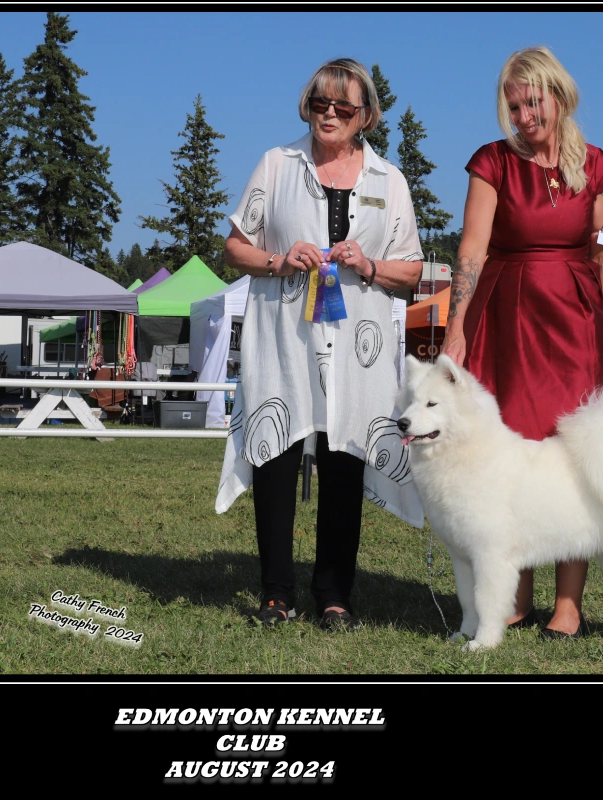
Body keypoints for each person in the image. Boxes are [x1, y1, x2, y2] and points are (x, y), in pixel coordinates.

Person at [215, 57, 424, 629]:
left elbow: (411, 270)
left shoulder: (389, 180)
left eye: (343, 106)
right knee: (276, 456)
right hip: (284, 336)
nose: (328, 114)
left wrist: (371, 263)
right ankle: (276, 593)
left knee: (343, 462)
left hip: (359, 346)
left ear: (366, 117)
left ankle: (335, 595)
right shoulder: (276, 165)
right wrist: (278, 260)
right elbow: (235, 248)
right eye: (319, 103)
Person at [442, 46, 603, 640]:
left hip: (576, 321)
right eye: (513, 106)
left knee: (574, 458)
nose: (522, 116)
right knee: (509, 455)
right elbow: (471, 249)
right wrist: (456, 327)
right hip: (506, 318)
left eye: (532, 102)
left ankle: (568, 606)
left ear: (559, 96)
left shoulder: (599, 169)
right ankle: (514, 599)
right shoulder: (491, 162)